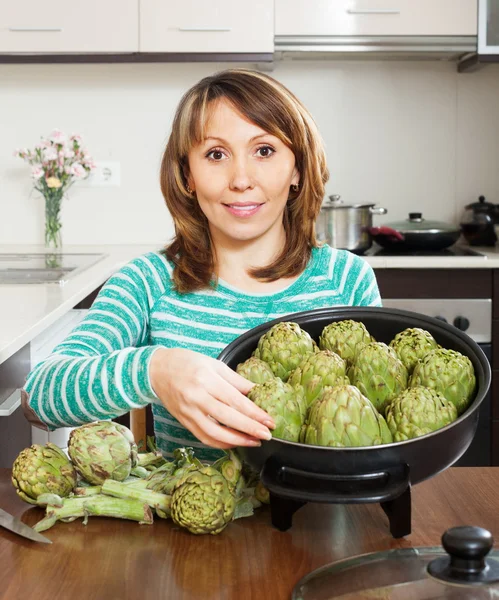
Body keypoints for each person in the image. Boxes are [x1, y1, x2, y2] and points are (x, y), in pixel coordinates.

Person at [22, 68, 382, 461]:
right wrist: (153, 370)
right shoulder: (148, 282)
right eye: (215, 154)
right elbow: (38, 398)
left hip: (324, 518)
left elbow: (379, 422)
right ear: (187, 175)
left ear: (297, 168)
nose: (241, 179)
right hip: (192, 521)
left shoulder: (347, 279)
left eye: (264, 150)